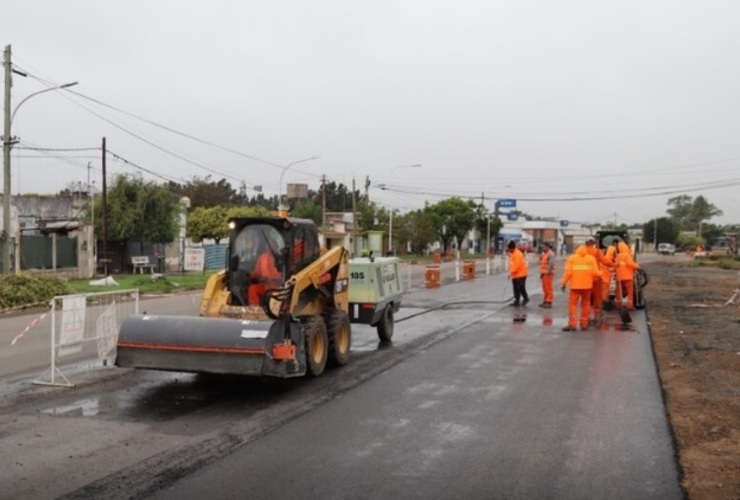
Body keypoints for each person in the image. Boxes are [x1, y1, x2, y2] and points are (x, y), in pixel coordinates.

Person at [560, 244, 600, 331]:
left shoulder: (572, 258)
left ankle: (572, 324)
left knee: (573, 305)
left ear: (576, 250)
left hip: (575, 287)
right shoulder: (591, 259)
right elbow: (596, 273)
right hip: (587, 286)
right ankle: (584, 324)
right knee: (586, 304)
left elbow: (568, 273)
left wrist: (563, 283)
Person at [584, 236, 613, 324]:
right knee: (597, 298)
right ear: (594, 243)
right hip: (596, 277)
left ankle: (586, 317)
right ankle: (597, 315)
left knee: (586, 299)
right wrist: (614, 265)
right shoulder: (597, 252)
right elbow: (605, 261)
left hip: (585, 277)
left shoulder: (581, 251)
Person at [614, 241, 640, 310]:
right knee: (629, 292)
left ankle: (618, 305)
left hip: (619, 277)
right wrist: (637, 266)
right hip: (628, 277)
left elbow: (615, 266)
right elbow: (630, 263)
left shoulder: (618, 256)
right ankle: (629, 306)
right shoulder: (627, 255)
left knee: (618, 292)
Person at [507, 240, 529, 307]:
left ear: (512, 248)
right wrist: (510, 272)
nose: (509, 250)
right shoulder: (512, 254)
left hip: (521, 274)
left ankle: (526, 298)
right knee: (515, 288)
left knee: (521, 287)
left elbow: (516, 265)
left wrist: (510, 272)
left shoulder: (518, 254)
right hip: (515, 275)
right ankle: (517, 300)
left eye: (509, 249)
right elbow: (512, 264)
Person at [538, 242, 555, 308]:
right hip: (544, 273)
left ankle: (549, 301)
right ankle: (545, 300)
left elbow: (551, 264)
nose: (543, 248)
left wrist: (548, 272)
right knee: (545, 288)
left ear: (547, 247)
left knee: (548, 288)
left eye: (544, 247)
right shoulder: (544, 254)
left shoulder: (550, 254)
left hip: (548, 273)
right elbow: (540, 263)